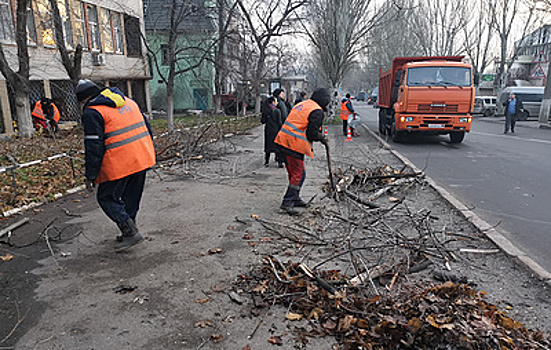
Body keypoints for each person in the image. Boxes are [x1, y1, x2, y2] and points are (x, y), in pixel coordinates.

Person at [76, 79, 156, 252]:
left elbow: (94, 147)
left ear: (84, 99)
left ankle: (130, 232)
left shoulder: (92, 111)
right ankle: (130, 228)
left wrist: (91, 174)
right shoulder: (129, 102)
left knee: (106, 197)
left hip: (119, 163)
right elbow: (148, 129)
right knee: (131, 196)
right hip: (142, 156)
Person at [274, 87, 331, 216]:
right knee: (299, 174)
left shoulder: (304, 104)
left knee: (294, 173)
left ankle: (295, 198)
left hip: (282, 140)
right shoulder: (317, 111)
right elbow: (312, 133)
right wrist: (322, 138)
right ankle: (287, 202)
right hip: (292, 144)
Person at [261, 96, 284, 168]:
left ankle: (266, 162)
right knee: (278, 147)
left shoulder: (265, 110)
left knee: (268, 147)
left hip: (268, 130)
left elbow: (262, 121)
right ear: (273, 102)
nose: (277, 102)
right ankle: (279, 162)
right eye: (276, 101)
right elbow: (279, 122)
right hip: (276, 130)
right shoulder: (277, 111)